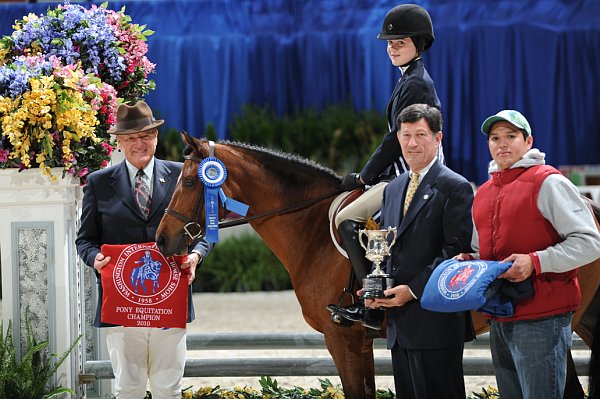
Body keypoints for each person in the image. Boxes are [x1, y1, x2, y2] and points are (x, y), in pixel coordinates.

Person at [456, 109, 600, 399]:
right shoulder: (483, 193)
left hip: (543, 319)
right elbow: (481, 250)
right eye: (495, 138)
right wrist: (471, 262)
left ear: (528, 141)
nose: (502, 144)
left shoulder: (549, 182)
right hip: (500, 318)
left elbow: (590, 242)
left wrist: (535, 262)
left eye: (511, 136)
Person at [76, 101, 212, 399]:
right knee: (128, 388)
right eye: (131, 138)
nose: (140, 143)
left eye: (146, 136)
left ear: (156, 138)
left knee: (168, 388)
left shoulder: (182, 177)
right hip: (124, 305)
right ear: (120, 143)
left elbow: (203, 233)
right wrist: (95, 259)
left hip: (169, 301)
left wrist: (196, 255)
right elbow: (84, 240)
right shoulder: (98, 184)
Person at [329, 4, 443, 330]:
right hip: (400, 172)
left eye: (399, 42)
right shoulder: (409, 79)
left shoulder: (417, 83)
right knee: (370, 220)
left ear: (418, 44)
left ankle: (373, 304)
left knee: (347, 219)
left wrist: (364, 176)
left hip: (411, 176)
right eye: (389, 43)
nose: (391, 48)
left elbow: (396, 140)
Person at [365, 103, 474, 399]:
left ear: (438, 138)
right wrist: (379, 287)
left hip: (435, 322)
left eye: (421, 135)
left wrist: (411, 291)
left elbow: (455, 253)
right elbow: (387, 248)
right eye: (405, 135)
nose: (412, 143)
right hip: (399, 327)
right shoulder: (392, 188)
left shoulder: (456, 187)